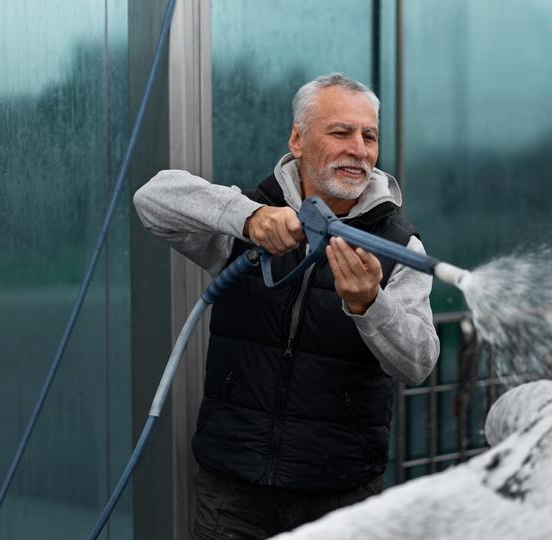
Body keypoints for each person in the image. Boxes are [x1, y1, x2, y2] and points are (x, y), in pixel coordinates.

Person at [134, 72, 440, 539]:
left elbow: (418, 363)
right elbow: (152, 199)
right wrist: (249, 217)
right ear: (298, 139)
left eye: (369, 136)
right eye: (340, 132)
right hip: (233, 490)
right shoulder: (251, 218)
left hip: (338, 496)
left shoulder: (399, 245)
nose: (358, 148)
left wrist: (369, 305)